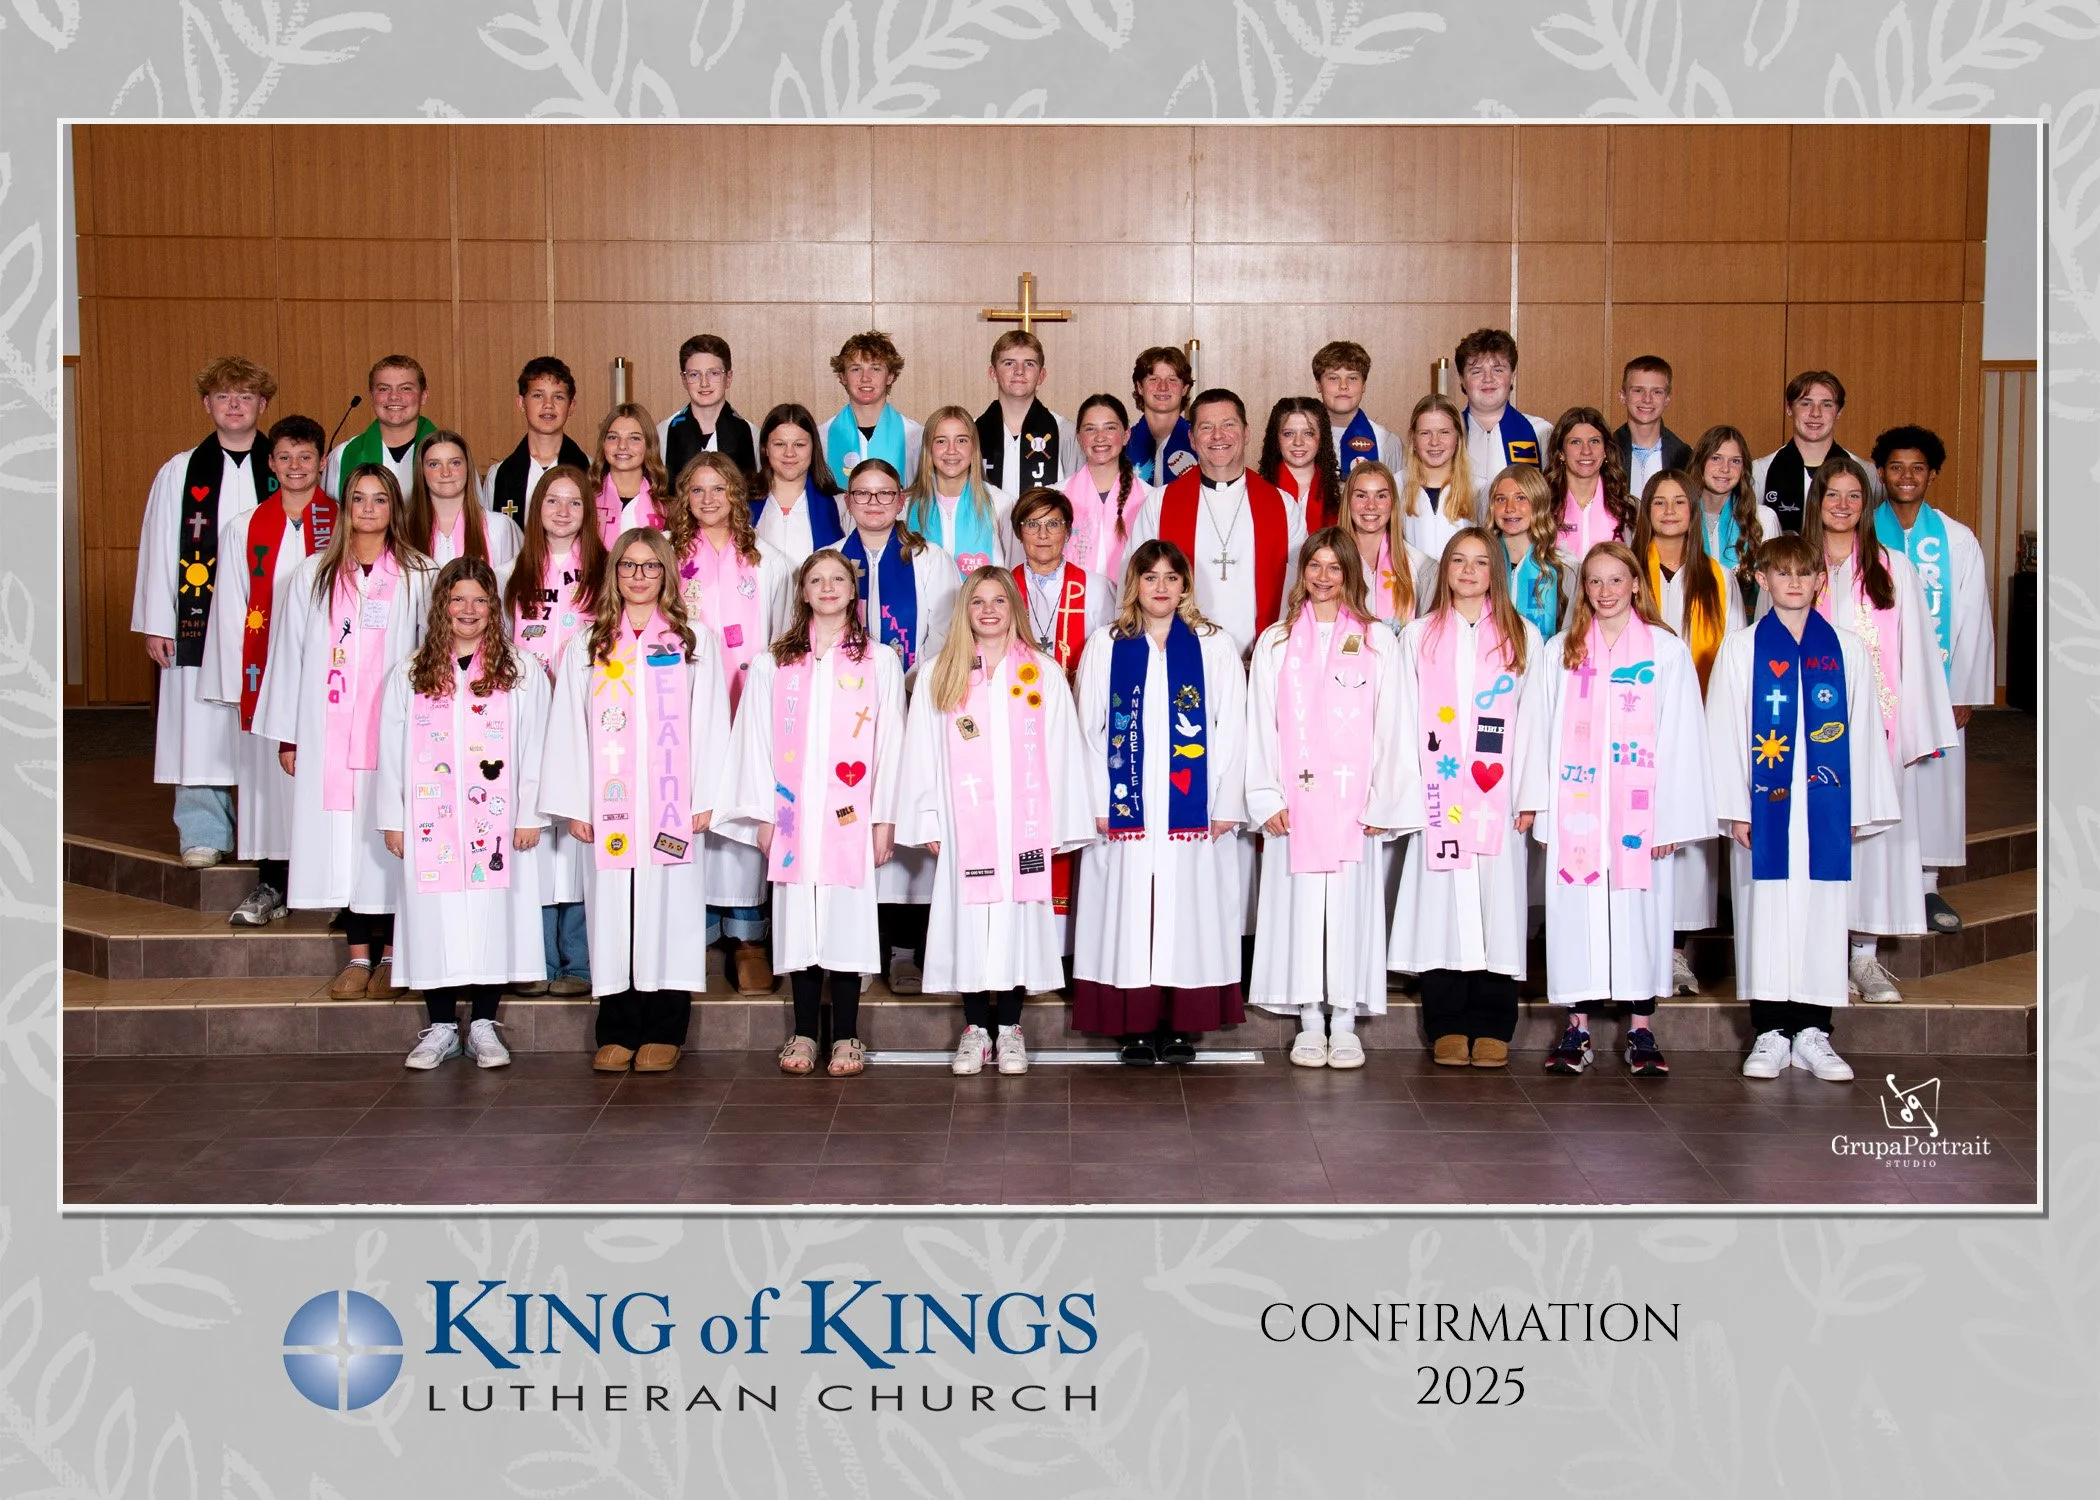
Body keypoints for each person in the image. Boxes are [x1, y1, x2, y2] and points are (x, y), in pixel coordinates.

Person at [1707, 533, 1900, 1083]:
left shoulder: (1847, 649)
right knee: (1763, 912)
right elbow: (1722, 728)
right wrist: (1732, 807)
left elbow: (1863, 731)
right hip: (1764, 809)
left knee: (1821, 911)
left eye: (1804, 573)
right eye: (1781, 573)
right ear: (1763, 580)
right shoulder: (1741, 649)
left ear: (1821, 579)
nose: (1793, 583)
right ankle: (1769, 1031)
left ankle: (1814, 1031)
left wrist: (1858, 804)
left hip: (1824, 807)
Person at [539, 527, 731, 1074]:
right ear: (614, 573)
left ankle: (667, 1028)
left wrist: (706, 795)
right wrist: (576, 803)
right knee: (612, 913)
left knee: (668, 911)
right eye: (628, 566)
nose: (639, 576)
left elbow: (712, 718)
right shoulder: (589, 643)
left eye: (650, 566)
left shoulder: (692, 640)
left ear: (666, 572)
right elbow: (568, 727)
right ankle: (617, 1027)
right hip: (611, 803)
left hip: (671, 803)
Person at [897, 568, 1095, 1077]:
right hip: (965, 823)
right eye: (977, 601)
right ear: (964, 610)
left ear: (1014, 609)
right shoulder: (941, 671)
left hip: (1022, 824)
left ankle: (1009, 1028)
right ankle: (973, 1029)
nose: (988, 610)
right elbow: (919, 751)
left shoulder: (1042, 673)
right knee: (968, 922)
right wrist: (928, 817)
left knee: (1016, 922)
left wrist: (1056, 824)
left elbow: (1062, 751)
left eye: (999, 601)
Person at [252, 464, 435, 1001]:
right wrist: (289, 734)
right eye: (359, 498)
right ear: (345, 507)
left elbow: (434, 655)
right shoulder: (313, 574)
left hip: (395, 735)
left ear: (394, 508)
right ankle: (359, 956)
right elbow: (289, 655)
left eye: (381, 499)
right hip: (329, 735)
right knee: (346, 846)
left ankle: (397, 958)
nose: (370, 508)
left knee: (391, 840)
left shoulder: (420, 574)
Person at [721, 550, 907, 1078]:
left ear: (854, 590)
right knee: (799, 924)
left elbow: (891, 742)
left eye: (838, 579)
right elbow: (754, 739)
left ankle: (847, 1036)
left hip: (851, 816)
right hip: (793, 817)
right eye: (816, 580)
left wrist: (885, 817)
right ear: (802, 592)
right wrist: (760, 813)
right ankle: (804, 1033)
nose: (827, 588)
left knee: (845, 923)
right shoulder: (773, 663)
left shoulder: (879, 661)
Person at [1534, 542, 1715, 1078]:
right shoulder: (1561, 651)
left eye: (1617, 580)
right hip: (1579, 810)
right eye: (1595, 581)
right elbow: (1542, 735)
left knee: (1641, 914)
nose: (1606, 591)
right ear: (1583, 589)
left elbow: (1683, 736)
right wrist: (1546, 813)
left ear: (1636, 583)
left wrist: (1672, 817)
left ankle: (1641, 1028)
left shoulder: (1664, 650)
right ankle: (1578, 1028)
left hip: (1642, 814)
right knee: (1577, 912)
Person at [1071, 541, 1249, 1064]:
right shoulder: (1108, 643)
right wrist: (1099, 800)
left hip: (1190, 811)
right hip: (1125, 808)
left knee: (1186, 911)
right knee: (1128, 911)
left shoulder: (1213, 645)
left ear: (1185, 585)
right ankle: (1134, 1025)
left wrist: (1224, 802)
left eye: (1172, 577)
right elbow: (1089, 727)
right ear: (1135, 584)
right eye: (1151, 577)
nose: (1161, 587)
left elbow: (1231, 728)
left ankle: (1181, 1025)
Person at [1245, 529, 1413, 1068]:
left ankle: (1344, 1019)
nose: (1323, 576)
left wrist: (1384, 800)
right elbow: (1261, 726)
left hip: (1351, 806)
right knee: (1300, 910)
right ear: (1303, 572)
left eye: (1334, 567)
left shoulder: (1375, 639)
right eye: (1314, 566)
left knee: (1347, 910)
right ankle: (1309, 1019)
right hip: (1294, 806)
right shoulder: (1275, 641)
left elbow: (1393, 724)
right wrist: (1266, 795)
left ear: (1349, 574)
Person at [376, 558, 550, 1070]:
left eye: (478, 600)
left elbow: (535, 745)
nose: (468, 610)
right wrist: (394, 816)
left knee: (492, 918)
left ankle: (483, 1024)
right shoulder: (412, 671)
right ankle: (441, 1026)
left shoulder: (519, 671)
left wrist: (528, 813)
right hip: (434, 821)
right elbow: (390, 748)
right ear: (441, 606)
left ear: (492, 607)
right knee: (435, 917)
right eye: (458, 600)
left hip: (496, 822)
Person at [1388, 528, 1546, 1069]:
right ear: (1446, 569)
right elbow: (1403, 717)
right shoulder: (1418, 636)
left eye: (1481, 562)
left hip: (1496, 798)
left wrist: (1528, 793)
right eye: (1459, 560)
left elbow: (1532, 723)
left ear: (1494, 572)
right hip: (1439, 795)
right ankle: (1447, 1023)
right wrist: (1410, 790)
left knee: (1497, 909)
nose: (1470, 570)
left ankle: (1494, 1022)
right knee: (1442, 910)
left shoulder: (1522, 635)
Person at [1803, 457, 1959, 1004]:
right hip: (1809, 729)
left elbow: (1914, 650)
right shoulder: (1799, 565)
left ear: (1865, 505)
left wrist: (1920, 729)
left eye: (1853, 496)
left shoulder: (1890, 565)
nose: (1843, 506)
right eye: (1832, 495)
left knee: (1874, 842)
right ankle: (1822, 958)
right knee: (1819, 840)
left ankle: (1864, 959)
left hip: (1879, 727)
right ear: (1816, 501)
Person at [134, 355, 278, 868]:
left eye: (245, 397)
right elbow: (157, 548)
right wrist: (157, 621)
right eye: (223, 397)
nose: (234, 406)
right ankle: (204, 831)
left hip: (265, 622)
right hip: (198, 622)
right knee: (198, 727)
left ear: (263, 404)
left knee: (265, 722)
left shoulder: (285, 466)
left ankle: (271, 836)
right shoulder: (180, 471)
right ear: (207, 404)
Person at [664, 451, 795, 995]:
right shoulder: (666, 557)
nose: (709, 500)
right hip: (681, 708)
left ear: (737, 494)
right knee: (687, 809)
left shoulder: (770, 560)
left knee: (743, 813)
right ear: (684, 498)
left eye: (719, 489)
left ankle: (747, 938)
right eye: (697, 490)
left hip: (747, 707)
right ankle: (692, 934)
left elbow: (786, 639)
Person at [201, 414, 332, 926]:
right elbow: (232, 606)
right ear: (270, 463)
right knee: (269, 786)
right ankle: (271, 883)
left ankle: (332, 888)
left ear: (323, 462)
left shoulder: (346, 519)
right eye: (284, 457)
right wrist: (236, 683)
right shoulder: (245, 527)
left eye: (305, 457)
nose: (295, 467)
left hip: (326, 671)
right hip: (264, 673)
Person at [837, 459, 959, 992]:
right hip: (845, 714)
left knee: (910, 813)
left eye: (884, 493)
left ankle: (908, 948)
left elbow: (943, 631)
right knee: (854, 818)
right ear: (847, 500)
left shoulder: (931, 560)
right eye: (862, 494)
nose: (873, 503)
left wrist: (904, 683)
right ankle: (862, 948)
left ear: (903, 500)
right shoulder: (827, 561)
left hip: (914, 702)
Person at [1873, 424, 1996, 934]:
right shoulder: (1859, 528)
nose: (1907, 477)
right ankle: (1875, 884)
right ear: (1882, 472)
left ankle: (1926, 886)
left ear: (1932, 474)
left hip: (1937, 686)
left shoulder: (1955, 538)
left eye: (1917, 468)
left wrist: (1963, 690)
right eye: (1897, 467)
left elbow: (1972, 615)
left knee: (1932, 784)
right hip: (1874, 690)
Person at [1632, 468, 1744, 996]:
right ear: (1646, 511)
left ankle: (1675, 951)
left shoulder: (1717, 577)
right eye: (1660, 502)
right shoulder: (1626, 572)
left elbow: (1736, 656)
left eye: (1681, 502)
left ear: (1694, 512)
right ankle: (1637, 941)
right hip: (1631, 723)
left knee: (1685, 838)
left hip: (1698, 721)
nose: (1671, 511)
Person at [500, 464, 605, 999]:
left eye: (574, 503)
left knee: (581, 836)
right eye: (552, 502)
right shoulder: (509, 574)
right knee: (534, 837)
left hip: (593, 719)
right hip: (526, 720)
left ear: (589, 513)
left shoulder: (606, 572)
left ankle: (581, 961)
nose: (563, 512)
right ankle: (537, 958)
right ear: (536, 508)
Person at [1128, 388, 1307, 658]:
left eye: (1228, 425)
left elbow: (1301, 589)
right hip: (1178, 657)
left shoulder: (1282, 506)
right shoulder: (1161, 503)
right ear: (1191, 438)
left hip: (1261, 660)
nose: (1218, 436)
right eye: (1206, 427)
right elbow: (1134, 582)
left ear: (1246, 433)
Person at [1752, 370, 1874, 535]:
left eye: (1827, 404)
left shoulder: (1866, 473)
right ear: (1789, 408)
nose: (1815, 413)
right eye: (1806, 403)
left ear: (1839, 412)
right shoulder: (1758, 472)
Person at [485, 356, 591, 527]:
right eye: (537, 396)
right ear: (521, 403)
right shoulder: (500, 475)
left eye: (558, 397)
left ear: (571, 406)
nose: (548, 405)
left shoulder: (590, 470)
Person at [1686, 424, 1779, 614]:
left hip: (1746, 632)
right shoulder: (1680, 517)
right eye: (1716, 458)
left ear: (1744, 468)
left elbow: (1770, 596)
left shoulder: (1763, 520)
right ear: (1700, 462)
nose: (1725, 469)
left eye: (1735, 461)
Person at [909, 405, 1011, 574]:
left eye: (961, 440)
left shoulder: (1001, 503)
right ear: (929, 449)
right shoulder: (906, 506)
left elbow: (1014, 569)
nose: (951, 450)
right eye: (941, 441)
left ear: (974, 448)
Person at [1062, 393, 1152, 584]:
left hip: (1131, 608)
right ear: (1078, 437)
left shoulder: (1151, 499)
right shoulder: (1057, 496)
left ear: (1126, 435)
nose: (1100, 437)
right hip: (1072, 606)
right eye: (1090, 429)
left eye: (1110, 428)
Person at [1339, 460, 1436, 636]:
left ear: (1393, 502)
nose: (1371, 505)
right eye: (1361, 495)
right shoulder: (1327, 562)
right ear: (1348, 501)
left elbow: (1425, 640)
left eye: (1381, 496)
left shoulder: (1421, 567)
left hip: (1399, 661)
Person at [1455, 327, 1550, 505]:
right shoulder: (1449, 433)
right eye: (1476, 371)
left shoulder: (1540, 431)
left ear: (1512, 375)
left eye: (1498, 370)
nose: (1488, 379)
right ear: (1462, 379)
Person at [323, 354, 436, 501]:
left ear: (424, 396)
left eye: (406, 388)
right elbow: (330, 518)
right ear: (371, 396)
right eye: (383, 389)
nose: (394, 396)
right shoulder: (343, 456)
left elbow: (472, 515)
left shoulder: (452, 455)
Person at [977, 329, 1077, 493]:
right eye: (1009, 363)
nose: (1019, 371)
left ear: (1041, 375)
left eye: (1029, 364)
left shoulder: (1065, 432)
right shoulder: (972, 432)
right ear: (992, 373)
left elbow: (1076, 495)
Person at [404, 430, 521, 568]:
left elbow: (514, 585)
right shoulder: (403, 530)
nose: (445, 472)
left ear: (468, 467)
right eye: (434, 464)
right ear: (421, 471)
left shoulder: (499, 527)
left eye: (455, 463)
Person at [749, 403, 846, 562]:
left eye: (799, 444)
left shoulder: (840, 503)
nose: (789, 453)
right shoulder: (742, 503)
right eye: (779, 444)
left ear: (813, 448)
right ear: (765, 448)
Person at [823, 330, 924, 483]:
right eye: (856, 369)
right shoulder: (821, 437)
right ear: (842, 377)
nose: (865, 378)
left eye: (875, 369)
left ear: (890, 376)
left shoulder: (915, 436)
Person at [658, 333, 758, 481]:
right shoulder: (663, 433)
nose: (704, 383)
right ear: (684, 380)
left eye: (714, 373)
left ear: (728, 378)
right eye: (694, 375)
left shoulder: (751, 434)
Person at [1489, 464, 1571, 644]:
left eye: (1521, 498)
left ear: (1538, 503)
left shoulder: (1564, 565)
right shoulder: (1482, 561)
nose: (1510, 508)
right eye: (1501, 499)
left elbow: (1571, 632)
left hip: (1543, 665)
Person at [1545, 405, 1635, 562]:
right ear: (1561, 453)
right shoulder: (1543, 505)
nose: (1586, 451)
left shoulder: (1629, 508)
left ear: (1606, 450)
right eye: (1575, 442)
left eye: (1594, 441)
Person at [1397, 393, 1478, 561]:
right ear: (1413, 436)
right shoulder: (1394, 486)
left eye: (1444, 432)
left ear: (1458, 436)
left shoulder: (1479, 489)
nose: (1435, 442)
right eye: (1425, 433)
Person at [1312, 339, 1402, 476]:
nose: (1343, 386)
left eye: (1353, 378)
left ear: (1364, 385)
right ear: (1318, 384)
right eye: (1333, 378)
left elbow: (1397, 495)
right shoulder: (1300, 439)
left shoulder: (1386, 442)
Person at [1258, 395, 1340, 533]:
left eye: (1308, 433)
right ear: (1276, 438)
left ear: (1322, 438)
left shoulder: (1340, 494)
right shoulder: (1258, 491)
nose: (1298, 442)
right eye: (1289, 433)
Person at [1612, 355, 1691, 498]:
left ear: (1667, 398)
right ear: (1623, 396)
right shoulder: (1607, 453)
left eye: (1657, 392)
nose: (1647, 399)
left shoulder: (1684, 456)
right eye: (1638, 390)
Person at [595, 402, 671, 539]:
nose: (622, 446)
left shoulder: (668, 507)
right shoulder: (585, 499)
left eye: (634, 438)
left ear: (649, 445)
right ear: (603, 443)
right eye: (613, 437)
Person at [1125, 345, 1197, 485]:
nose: (1163, 387)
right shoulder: (1122, 441)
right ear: (1140, 387)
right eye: (1153, 379)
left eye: (1172, 380)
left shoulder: (1200, 441)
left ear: (1184, 389)